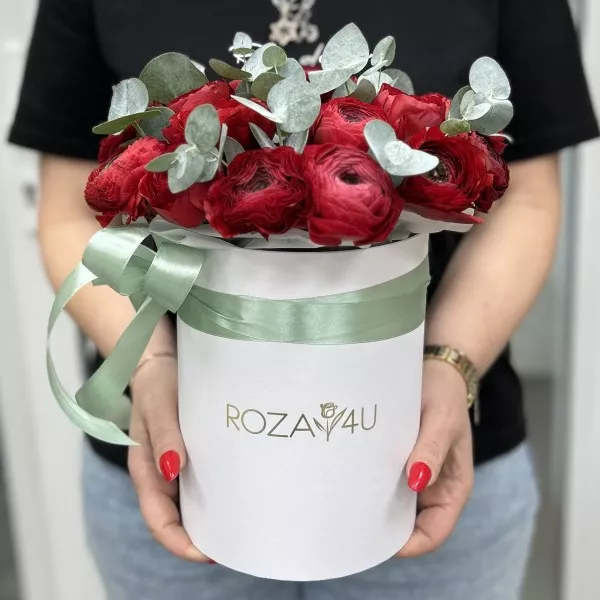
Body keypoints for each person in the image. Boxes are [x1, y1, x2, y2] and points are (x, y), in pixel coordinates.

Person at [8, 0, 598, 598]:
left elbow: (526, 198)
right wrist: (150, 364)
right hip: (179, 463)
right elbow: (69, 211)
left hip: (425, 457)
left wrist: (451, 363)